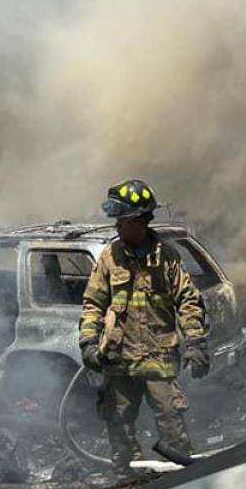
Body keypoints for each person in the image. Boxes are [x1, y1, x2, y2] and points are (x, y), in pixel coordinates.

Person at [78, 179, 209, 473]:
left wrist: (197, 343)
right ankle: (127, 481)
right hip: (118, 358)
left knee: (171, 420)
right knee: (118, 423)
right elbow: (92, 304)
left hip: (158, 357)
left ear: (139, 222)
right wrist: (88, 342)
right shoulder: (110, 257)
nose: (117, 227)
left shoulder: (166, 257)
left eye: (122, 221)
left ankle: (184, 482)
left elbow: (188, 301)